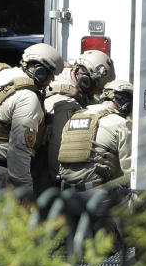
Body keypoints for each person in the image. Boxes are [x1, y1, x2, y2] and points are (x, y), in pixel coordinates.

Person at [0, 42, 63, 219]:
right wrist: (25, 191)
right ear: (40, 71)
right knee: (2, 239)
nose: (52, 81)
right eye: (51, 75)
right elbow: (19, 150)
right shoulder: (27, 96)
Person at [57, 80, 134, 238]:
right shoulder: (121, 124)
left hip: (67, 194)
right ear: (125, 102)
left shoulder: (74, 118)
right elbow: (130, 170)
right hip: (98, 198)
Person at [34, 49, 116, 193]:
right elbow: (58, 154)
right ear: (86, 81)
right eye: (97, 88)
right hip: (44, 173)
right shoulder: (67, 106)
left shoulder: (62, 74)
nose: (97, 93)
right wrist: (62, 187)